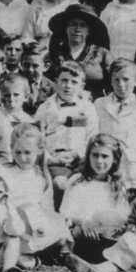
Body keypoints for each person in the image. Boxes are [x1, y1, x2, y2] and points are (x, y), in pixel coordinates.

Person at [0, 124, 68, 268]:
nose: (22, 157)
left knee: (58, 223)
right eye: (17, 152)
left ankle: (24, 258)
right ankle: (19, 258)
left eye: (27, 152)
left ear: (39, 150)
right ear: (11, 149)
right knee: (20, 216)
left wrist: (40, 222)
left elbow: (47, 207)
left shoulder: (41, 176)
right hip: (7, 224)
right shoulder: (5, 172)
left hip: (32, 227)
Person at [59, 134, 132, 265]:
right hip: (83, 231)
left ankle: (103, 262)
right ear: (88, 156)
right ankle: (75, 257)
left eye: (105, 156)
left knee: (129, 238)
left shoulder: (116, 184)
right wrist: (84, 222)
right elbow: (66, 212)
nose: (99, 161)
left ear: (114, 159)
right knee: (75, 234)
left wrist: (115, 225)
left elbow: (123, 213)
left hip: (107, 234)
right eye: (95, 155)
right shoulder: (77, 181)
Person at [94, 58, 136, 197]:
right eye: (116, 80)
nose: (121, 84)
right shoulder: (99, 105)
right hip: (106, 172)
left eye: (126, 79)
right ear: (111, 81)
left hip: (135, 177)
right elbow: (92, 136)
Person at [33, 62, 98, 194]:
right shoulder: (45, 108)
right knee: (60, 185)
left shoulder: (87, 108)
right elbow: (36, 139)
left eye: (74, 82)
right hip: (55, 161)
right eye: (64, 80)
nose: (68, 86)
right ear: (56, 82)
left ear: (82, 86)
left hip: (81, 160)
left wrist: (78, 155)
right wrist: (51, 158)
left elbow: (92, 137)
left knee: (86, 188)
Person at [46, 4, 112, 97]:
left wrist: (100, 76)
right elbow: (46, 81)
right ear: (66, 28)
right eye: (73, 24)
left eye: (83, 25)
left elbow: (113, 80)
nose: (77, 29)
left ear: (89, 31)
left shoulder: (102, 54)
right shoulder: (55, 54)